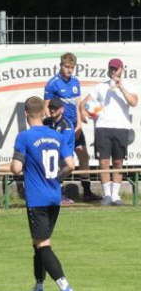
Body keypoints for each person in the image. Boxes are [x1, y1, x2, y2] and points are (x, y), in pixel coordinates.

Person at [7, 96, 76, 291]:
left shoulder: (25, 137)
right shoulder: (56, 136)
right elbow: (71, 165)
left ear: (26, 114)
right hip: (54, 197)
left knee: (43, 244)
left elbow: (16, 168)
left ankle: (65, 287)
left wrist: (18, 166)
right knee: (37, 244)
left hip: (37, 199)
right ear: (44, 112)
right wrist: (57, 178)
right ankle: (38, 287)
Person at [80, 58, 139, 206]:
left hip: (121, 128)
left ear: (121, 69)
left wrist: (121, 88)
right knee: (104, 162)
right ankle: (106, 195)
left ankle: (115, 196)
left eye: (116, 69)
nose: (113, 71)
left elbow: (133, 102)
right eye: (111, 69)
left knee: (118, 162)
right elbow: (85, 103)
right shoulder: (100, 87)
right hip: (103, 128)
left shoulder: (130, 86)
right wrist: (85, 112)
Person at [44, 52, 101, 202]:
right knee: (62, 161)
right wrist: (53, 126)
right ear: (60, 66)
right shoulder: (53, 83)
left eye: (71, 67)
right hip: (61, 128)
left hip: (74, 126)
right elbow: (46, 108)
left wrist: (80, 124)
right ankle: (56, 191)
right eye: (66, 66)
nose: (69, 70)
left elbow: (77, 104)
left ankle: (87, 191)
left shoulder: (75, 81)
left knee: (83, 156)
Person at [44, 97, 76, 205]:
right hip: (49, 155)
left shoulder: (66, 125)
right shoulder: (46, 122)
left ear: (62, 109)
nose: (52, 110)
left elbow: (61, 145)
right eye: (50, 108)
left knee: (59, 166)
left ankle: (59, 194)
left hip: (64, 157)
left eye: (55, 108)